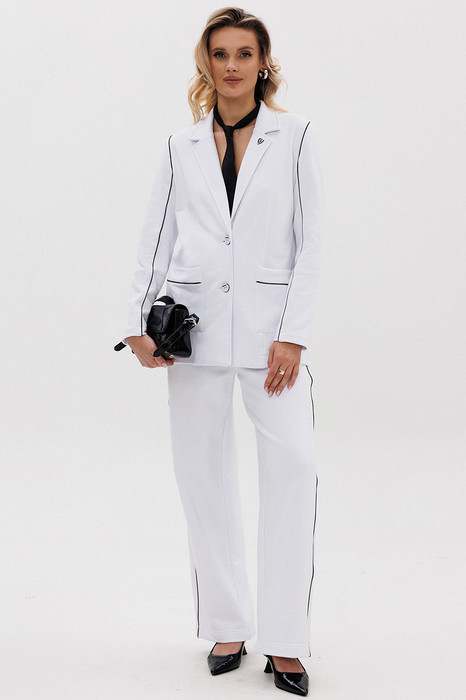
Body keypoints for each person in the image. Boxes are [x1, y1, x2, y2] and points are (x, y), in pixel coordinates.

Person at [117, 7, 324, 697]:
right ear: (205, 64)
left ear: (263, 63)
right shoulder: (179, 146)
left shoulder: (296, 137)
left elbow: (313, 242)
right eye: (220, 53)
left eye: (244, 53)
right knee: (202, 478)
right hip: (195, 332)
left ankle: (286, 640)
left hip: (272, 339)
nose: (232, 65)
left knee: (292, 471)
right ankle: (227, 624)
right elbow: (155, 235)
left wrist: (293, 332)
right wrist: (138, 322)